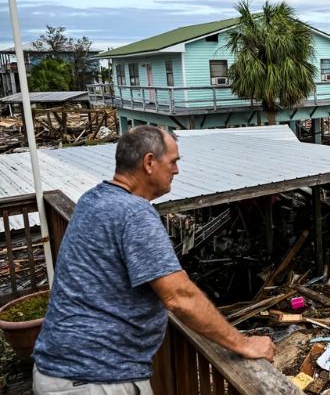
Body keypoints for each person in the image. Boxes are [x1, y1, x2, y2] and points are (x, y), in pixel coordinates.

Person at [32, 125, 274, 394]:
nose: (177, 170)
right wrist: (243, 343)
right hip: (95, 377)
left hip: (63, 369)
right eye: (173, 162)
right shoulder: (134, 213)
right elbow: (179, 297)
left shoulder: (93, 199)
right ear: (149, 162)